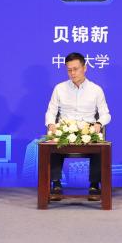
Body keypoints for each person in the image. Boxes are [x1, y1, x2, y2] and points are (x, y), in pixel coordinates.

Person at [45, 52, 111, 200]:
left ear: (84, 68)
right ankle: (56, 183)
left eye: (76, 69)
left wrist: (99, 123)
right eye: (69, 70)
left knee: (98, 142)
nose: (72, 73)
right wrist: (51, 124)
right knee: (54, 141)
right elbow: (51, 111)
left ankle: (94, 185)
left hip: (87, 129)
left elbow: (106, 114)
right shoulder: (59, 88)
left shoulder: (96, 90)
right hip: (65, 129)